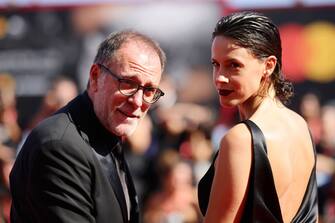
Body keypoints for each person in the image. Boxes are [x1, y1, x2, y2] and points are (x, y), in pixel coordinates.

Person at [9, 30, 166, 223]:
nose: (138, 100)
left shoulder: (106, 134)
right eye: (127, 83)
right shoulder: (60, 147)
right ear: (95, 76)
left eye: (149, 90)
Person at [197, 11, 318, 223]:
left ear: (268, 65)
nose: (220, 77)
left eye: (234, 65)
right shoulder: (300, 126)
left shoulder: (241, 139)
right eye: (215, 64)